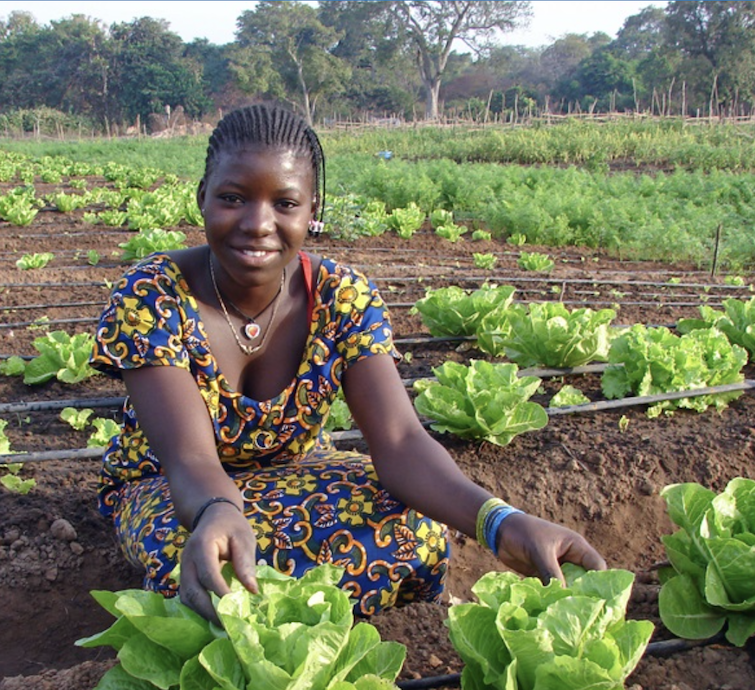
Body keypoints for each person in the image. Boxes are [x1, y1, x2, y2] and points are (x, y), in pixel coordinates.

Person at [91, 103, 604, 624]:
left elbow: (400, 442)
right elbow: (190, 460)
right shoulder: (153, 293)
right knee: (201, 563)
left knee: (418, 532)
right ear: (202, 197)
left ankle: (371, 625)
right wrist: (217, 512)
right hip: (174, 488)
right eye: (232, 198)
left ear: (313, 210)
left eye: (284, 203)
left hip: (299, 475)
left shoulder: (342, 296)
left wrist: (502, 523)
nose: (257, 224)